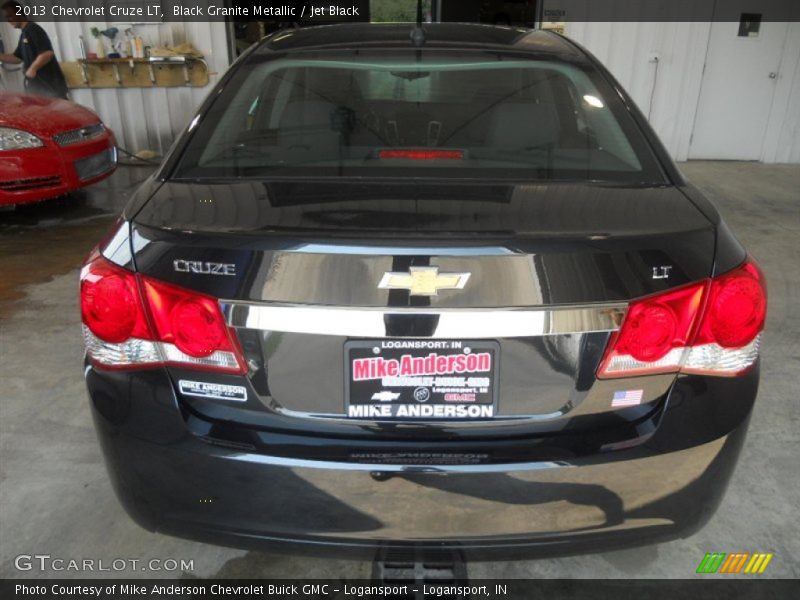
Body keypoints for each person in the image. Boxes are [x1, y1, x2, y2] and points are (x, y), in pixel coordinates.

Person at [0, 1, 68, 99]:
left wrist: (33, 68)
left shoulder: (33, 29)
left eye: (10, 16)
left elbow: (47, 53)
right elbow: (17, 58)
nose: (8, 20)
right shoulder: (24, 34)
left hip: (51, 88)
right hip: (39, 89)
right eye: (6, 18)